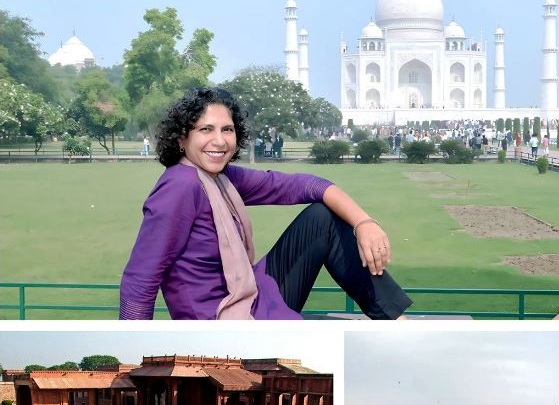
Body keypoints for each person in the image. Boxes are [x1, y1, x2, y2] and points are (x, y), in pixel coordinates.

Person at [120, 87, 412, 320]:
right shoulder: (180, 186)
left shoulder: (222, 177)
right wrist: (133, 363)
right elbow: (140, 279)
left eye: (227, 129)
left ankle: (395, 323)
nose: (219, 141)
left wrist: (364, 222)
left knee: (323, 218)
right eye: (205, 130)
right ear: (182, 139)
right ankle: (395, 325)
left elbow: (306, 185)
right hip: (219, 321)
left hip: (252, 295)